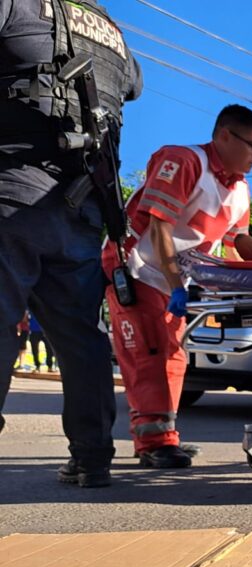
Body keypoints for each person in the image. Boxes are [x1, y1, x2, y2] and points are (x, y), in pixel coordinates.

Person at [0, 0, 142, 487]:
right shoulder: (111, 30)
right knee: (81, 336)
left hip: (13, 189)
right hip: (82, 205)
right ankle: (92, 457)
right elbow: (133, 85)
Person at [103, 104, 252, 470]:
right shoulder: (184, 162)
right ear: (224, 136)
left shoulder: (240, 190)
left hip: (173, 280)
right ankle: (153, 443)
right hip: (137, 267)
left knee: (174, 355)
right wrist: (177, 284)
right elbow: (161, 227)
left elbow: (238, 242)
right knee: (151, 352)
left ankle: (163, 438)